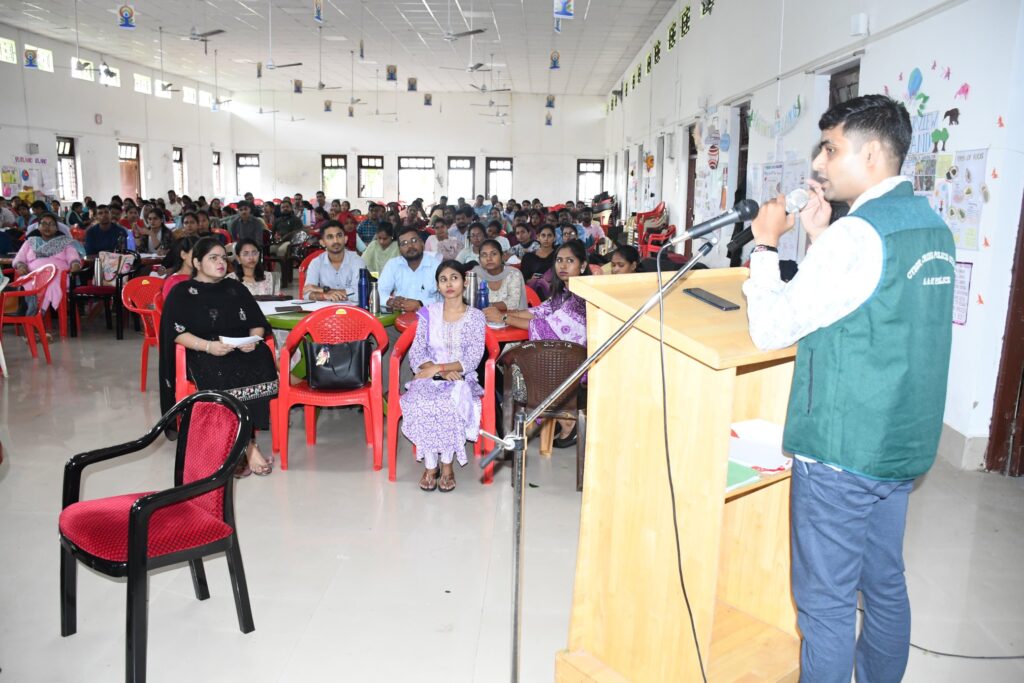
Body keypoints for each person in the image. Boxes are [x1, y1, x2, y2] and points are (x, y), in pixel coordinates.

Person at [743, 94, 955, 683]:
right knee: (883, 580)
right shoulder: (932, 226)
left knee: (827, 602)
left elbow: (771, 329)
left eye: (831, 148)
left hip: (842, 448)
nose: (821, 161)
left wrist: (765, 246)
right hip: (899, 442)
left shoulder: (857, 235)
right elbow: (865, 307)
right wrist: (818, 238)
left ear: (869, 154)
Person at [158, 237, 279, 475]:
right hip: (204, 351)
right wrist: (207, 346)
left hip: (240, 348)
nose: (221, 263)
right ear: (197, 262)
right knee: (220, 370)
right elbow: (174, 331)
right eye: (213, 258)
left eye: (223, 258)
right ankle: (246, 445)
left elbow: (257, 323)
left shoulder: (235, 287)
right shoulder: (183, 292)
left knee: (261, 357)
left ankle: (244, 441)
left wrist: (253, 341)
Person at [399, 260, 486, 492]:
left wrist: (442, 368)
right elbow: (417, 351)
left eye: (454, 278)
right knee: (421, 400)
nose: (449, 283)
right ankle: (430, 466)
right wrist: (435, 370)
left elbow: (473, 358)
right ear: (437, 286)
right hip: (429, 375)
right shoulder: (429, 314)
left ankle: (446, 465)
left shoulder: (475, 317)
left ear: (464, 282)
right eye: (443, 279)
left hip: (461, 377)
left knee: (447, 403)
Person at [503, 240, 589, 445]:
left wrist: (504, 319)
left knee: (514, 362)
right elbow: (537, 312)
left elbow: (546, 327)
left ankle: (565, 420)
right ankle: (556, 417)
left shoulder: (581, 297)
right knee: (510, 358)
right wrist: (504, 313)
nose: (563, 265)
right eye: (559, 260)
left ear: (583, 266)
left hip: (577, 363)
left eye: (570, 261)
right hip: (560, 354)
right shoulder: (561, 294)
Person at [12, 212, 83, 313]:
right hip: (33, 276)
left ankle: (36, 312)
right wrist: (21, 266)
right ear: (39, 227)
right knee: (25, 282)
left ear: (56, 228)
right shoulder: (30, 242)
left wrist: (75, 265)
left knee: (48, 284)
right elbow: (19, 259)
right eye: (44, 224)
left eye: (51, 224)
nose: (47, 227)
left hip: (57, 277)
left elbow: (74, 259)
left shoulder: (65, 243)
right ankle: (33, 312)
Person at [302, 221, 366, 302]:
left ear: (345, 239)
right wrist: (325, 296)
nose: (336, 241)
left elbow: (360, 294)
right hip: (325, 312)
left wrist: (321, 290)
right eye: (330, 237)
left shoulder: (357, 261)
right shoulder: (316, 263)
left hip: (353, 311)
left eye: (339, 236)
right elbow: (307, 294)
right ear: (322, 242)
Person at [475, 240, 527, 320]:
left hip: (511, 320)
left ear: (502, 256)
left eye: (494, 254)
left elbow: (513, 304)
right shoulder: (476, 274)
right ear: (479, 260)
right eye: (484, 255)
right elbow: (470, 302)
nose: (489, 258)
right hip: (481, 320)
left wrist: (486, 306)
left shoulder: (513, 273)